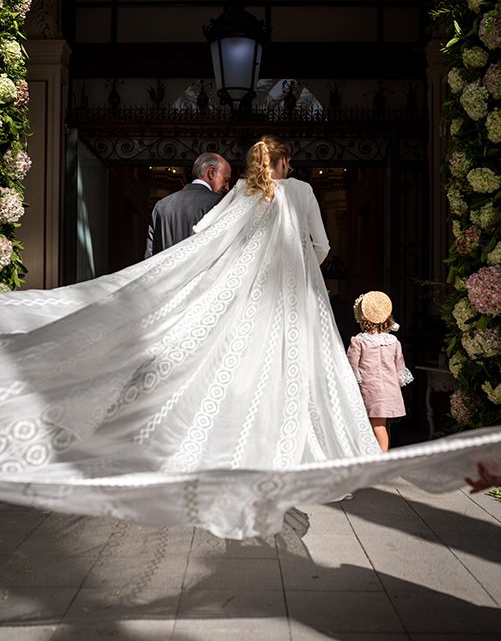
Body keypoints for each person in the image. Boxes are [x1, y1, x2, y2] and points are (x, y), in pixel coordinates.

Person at [0, 135, 500, 540]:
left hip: (249, 302)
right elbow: (322, 245)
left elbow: (206, 238)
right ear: (284, 162)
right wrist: (303, 266)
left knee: (240, 368)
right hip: (296, 301)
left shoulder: (240, 191)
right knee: (301, 369)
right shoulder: (302, 191)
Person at [347, 291, 413, 452]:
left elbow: (350, 366)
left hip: (370, 390)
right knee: (379, 425)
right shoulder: (393, 341)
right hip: (389, 390)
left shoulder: (359, 341)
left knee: (376, 426)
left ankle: (381, 458)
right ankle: (375, 454)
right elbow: (400, 367)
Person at [144, 152, 232, 257]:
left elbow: (150, 256)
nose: (227, 187)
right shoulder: (220, 204)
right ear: (211, 172)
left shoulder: (161, 206)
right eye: (226, 180)